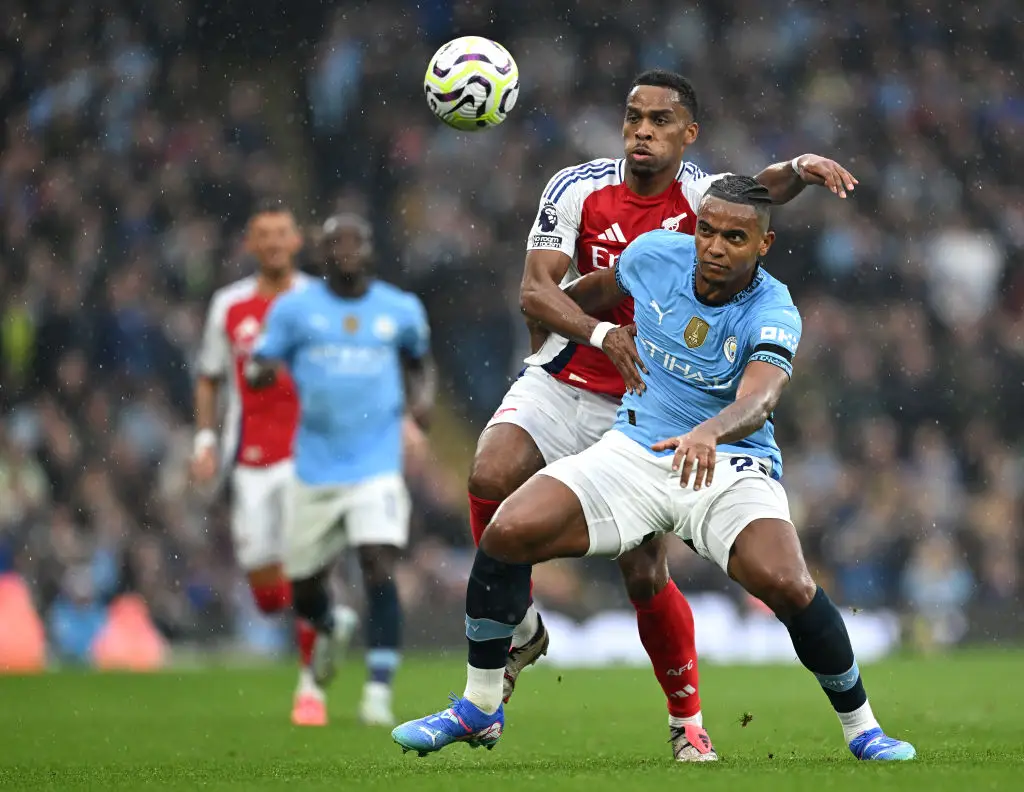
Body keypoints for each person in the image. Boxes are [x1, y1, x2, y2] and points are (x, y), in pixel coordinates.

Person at [392, 175, 916, 762]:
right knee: (506, 532)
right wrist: (562, 342)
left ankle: (862, 728)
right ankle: (481, 704)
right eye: (707, 231)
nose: (715, 247)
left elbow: (761, 400)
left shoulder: (774, 308)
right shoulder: (650, 255)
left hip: (730, 463)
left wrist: (709, 432)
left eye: (734, 237)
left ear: (762, 246)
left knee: (789, 585)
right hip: (633, 450)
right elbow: (575, 298)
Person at [466, 68, 858, 760]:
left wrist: (799, 167)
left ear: (687, 134)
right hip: (570, 376)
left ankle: (686, 721)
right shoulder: (576, 186)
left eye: (658, 122)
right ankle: (518, 632)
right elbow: (536, 292)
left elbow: (761, 193)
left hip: (645, 396)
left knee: (646, 576)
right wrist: (596, 335)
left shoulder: (702, 196)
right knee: (491, 471)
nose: (642, 132)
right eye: (633, 118)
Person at [249, 213, 434, 728]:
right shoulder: (295, 310)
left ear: (371, 249)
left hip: (376, 464)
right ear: (321, 254)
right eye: (336, 244)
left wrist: (421, 408)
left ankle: (378, 690)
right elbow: (259, 361)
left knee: (378, 563)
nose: (346, 251)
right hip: (314, 466)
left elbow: (420, 364)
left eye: (355, 241)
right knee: (305, 584)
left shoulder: (399, 309)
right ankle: (331, 624)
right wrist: (259, 371)